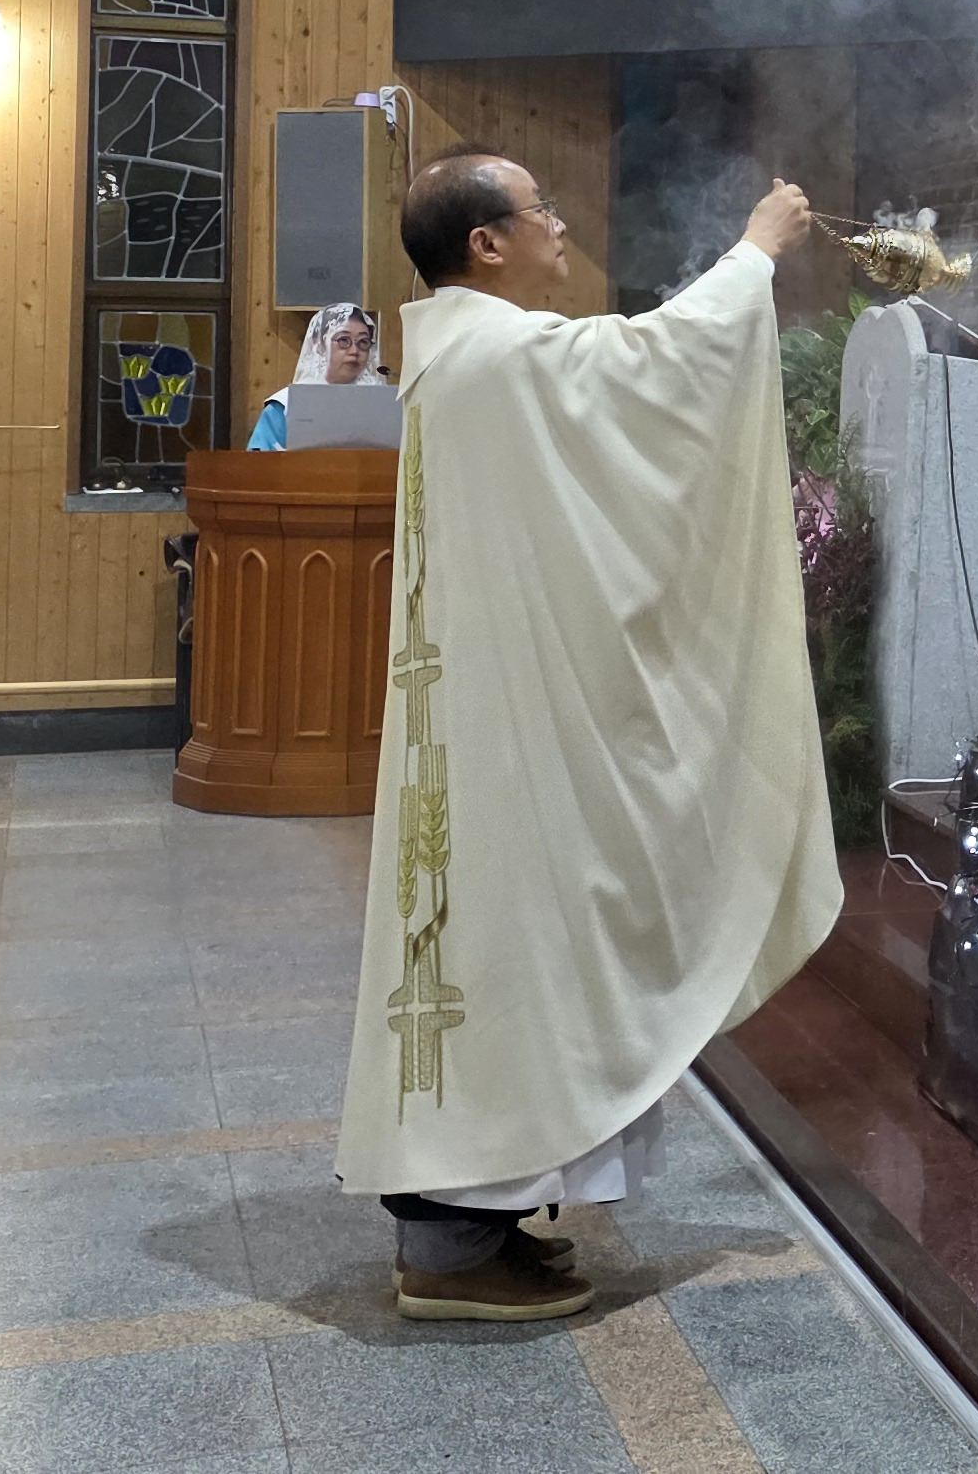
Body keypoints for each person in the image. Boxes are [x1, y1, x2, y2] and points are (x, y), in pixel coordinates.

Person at [335, 150, 841, 1324]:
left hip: (493, 714)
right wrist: (756, 250)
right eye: (539, 210)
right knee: (516, 946)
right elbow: (658, 365)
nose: (560, 226)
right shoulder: (498, 354)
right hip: (507, 732)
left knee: (501, 948)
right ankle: (451, 1244)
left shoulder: (466, 352)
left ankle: (470, 1228)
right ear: (485, 243)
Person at [245, 303, 388, 449]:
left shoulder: (381, 404)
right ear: (319, 345)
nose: (354, 351)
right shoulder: (285, 405)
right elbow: (259, 459)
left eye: (363, 342)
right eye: (344, 340)